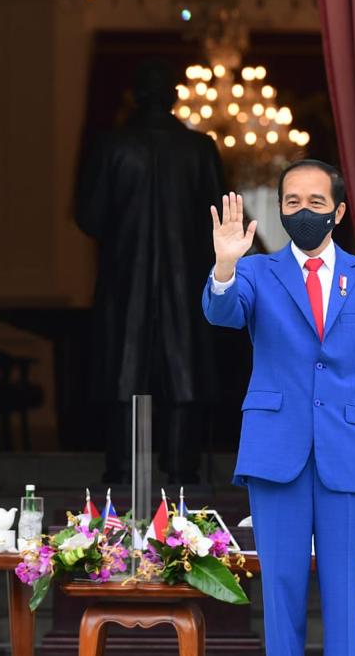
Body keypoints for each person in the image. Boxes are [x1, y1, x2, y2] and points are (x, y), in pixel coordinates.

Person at [202, 160, 355, 655]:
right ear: (279, 210)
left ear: (337, 211)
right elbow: (222, 312)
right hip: (277, 456)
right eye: (292, 202)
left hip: (349, 457)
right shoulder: (255, 271)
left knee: (344, 605)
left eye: (315, 203)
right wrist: (226, 264)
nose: (303, 212)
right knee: (281, 597)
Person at [77, 58, 225, 484]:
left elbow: (89, 217)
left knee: (125, 368)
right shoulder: (199, 149)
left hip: (126, 276)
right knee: (185, 369)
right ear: (174, 97)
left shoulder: (112, 147)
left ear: (135, 96)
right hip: (187, 276)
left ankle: (123, 467)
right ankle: (183, 468)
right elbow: (219, 216)